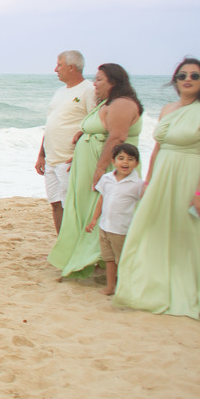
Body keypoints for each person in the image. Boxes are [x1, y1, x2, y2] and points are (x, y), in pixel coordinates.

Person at [114, 58, 200, 322]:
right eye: (181, 75)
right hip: (163, 180)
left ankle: (194, 288)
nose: (187, 79)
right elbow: (158, 148)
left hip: (193, 180)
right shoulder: (168, 109)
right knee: (155, 231)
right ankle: (156, 286)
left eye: (194, 75)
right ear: (175, 80)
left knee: (191, 234)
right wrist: (149, 181)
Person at [48, 63, 143, 279]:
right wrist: (80, 149)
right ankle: (89, 259)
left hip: (107, 168)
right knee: (84, 211)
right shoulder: (108, 103)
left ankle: (100, 261)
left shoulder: (122, 104)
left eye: (99, 79)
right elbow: (99, 130)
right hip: (88, 164)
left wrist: (100, 168)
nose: (95, 83)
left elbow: (117, 138)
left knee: (101, 212)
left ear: (114, 82)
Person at [35, 51, 96, 234]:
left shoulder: (89, 90)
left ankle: (75, 244)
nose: (55, 69)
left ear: (71, 67)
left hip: (69, 160)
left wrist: (81, 154)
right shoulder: (60, 92)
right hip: (52, 158)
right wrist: (41, 155)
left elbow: (94, 125)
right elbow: (51, 125)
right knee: (55, 204)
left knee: (72, 205)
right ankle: (62, 242)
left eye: (59, 65)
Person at [84, 143, 142, 296]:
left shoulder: (137, 184)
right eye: (121, 158)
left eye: (130, 159)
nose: (125, 162)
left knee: (122, 260)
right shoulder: (107, 178)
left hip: (121, 230)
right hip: (105, 227)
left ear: (136, 163)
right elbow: (102, 199)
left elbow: (143, 205)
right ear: (113, 161)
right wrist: (94, 220)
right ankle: (110, 287)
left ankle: (126, 288)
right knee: (109, 259)